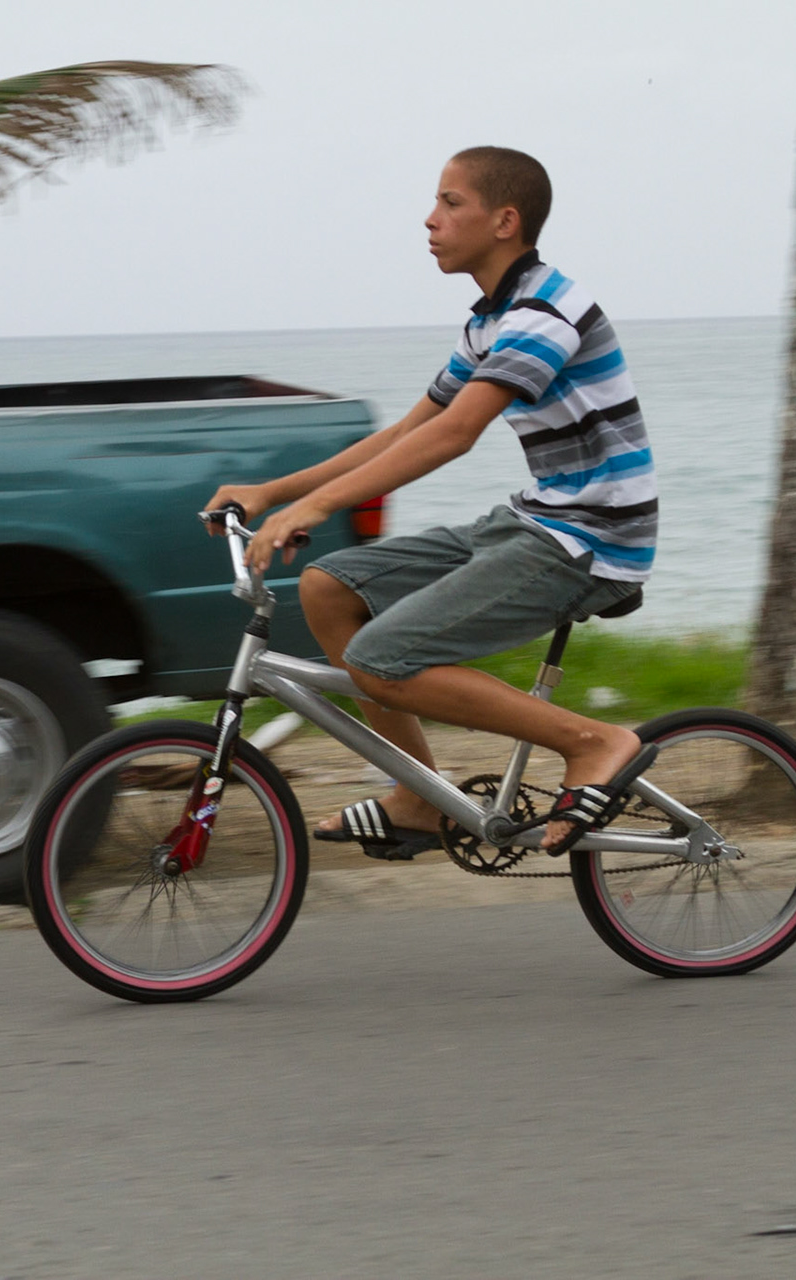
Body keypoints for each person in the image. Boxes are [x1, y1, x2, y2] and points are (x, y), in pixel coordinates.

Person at [205, 146, 658, 855]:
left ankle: (595, 742)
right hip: (538, 520)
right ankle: (417, 796)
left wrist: (315, 510)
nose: (430, 219)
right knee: (327, 588)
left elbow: (455, 434)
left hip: (593, 541)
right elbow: (408, 432)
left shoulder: (545, 311)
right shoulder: (489, 322)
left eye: (450, 203)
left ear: (504, 221)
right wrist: (273, 493)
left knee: (381, 658)